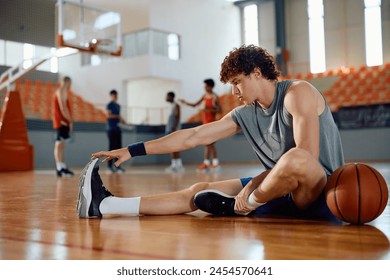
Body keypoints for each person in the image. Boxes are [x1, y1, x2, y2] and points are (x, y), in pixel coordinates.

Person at [77, 45, 344, 222]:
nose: (233, 91)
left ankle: (246, 203)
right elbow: (193, 136)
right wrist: (132, 150)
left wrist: (253, 186)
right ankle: (106, 206)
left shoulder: (297, 93)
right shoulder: (245, 113)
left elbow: (306, 157)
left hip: (318, 192)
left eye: (237, 82)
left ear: (257, 73)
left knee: (294, 159)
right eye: (230, 85)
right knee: (198, 191)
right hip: (276, 188)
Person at [178, 79, 221, 172]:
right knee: (208, 144)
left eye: (206, 86)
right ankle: (212, 163)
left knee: (209, 144)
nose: (204, 88)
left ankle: (212, 163)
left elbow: (219, 110)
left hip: (212, 124)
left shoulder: (215, 97)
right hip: (205, 123)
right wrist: (185, 102)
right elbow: (195, 105)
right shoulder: (204, 96)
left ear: (210, 86)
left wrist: (208, 110)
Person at [53, 76, 74, 177]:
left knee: (61, 145)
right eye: (70, 83)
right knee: (58, 144)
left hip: (64, 121)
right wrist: (70, 121)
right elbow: (62, 108)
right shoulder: (61, 91)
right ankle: (59, 168)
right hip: (61, 122)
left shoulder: (64, 92)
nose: (71, 85)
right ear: (67, 82)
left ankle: (62, 166)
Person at [106, 89, 126, 173]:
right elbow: (109, 115)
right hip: (111, 129)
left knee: (119, 148)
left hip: (118, 129)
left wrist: (122, 120)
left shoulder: (118, 105)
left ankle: (117, 166)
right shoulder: (109, 105)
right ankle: (109, 167)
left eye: (116, 95)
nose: (115, 96)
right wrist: (118, 117)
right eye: (113, 95)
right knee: (112, 148)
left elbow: (118, 117)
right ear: (111, 96)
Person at [165, 91, 185, 172]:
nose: (166, 98)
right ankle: (177, 165)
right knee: (172, 148)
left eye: (167, 96)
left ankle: (177, 166)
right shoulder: (171, 106)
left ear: (171, 97)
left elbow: (177, 117)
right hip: (170, 129)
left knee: (173, 147)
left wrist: (174, 128)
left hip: (173, 129)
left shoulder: (176, 105)